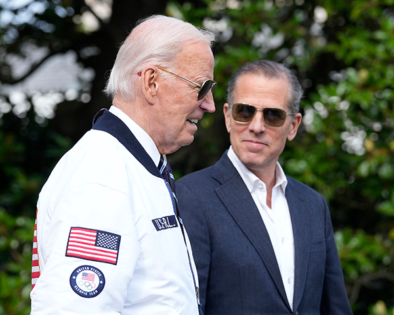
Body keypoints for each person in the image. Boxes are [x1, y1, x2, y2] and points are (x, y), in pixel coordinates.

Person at [30, 15, 216, 315]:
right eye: (201, 86)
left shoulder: (133, 165)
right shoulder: (104, 178)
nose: (209, 104)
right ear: (152, 82)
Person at [177, 60, 353, 315]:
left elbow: (335, 308)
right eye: (245, 112)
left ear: (293, 125)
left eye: (272, 115)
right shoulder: (191, 197)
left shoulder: (314, 205)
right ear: (227, 117)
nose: (256, 126)